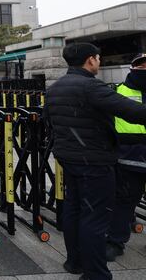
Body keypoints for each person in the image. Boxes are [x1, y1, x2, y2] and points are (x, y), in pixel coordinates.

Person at [45, 43, 146, 280]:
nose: (99, 63)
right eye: (98, 58)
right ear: (90, 60)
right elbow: (133, 112)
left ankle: (75, 261)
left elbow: (48, 121)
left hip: (69, 158)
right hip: (95, 162)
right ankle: (96, 274)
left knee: (74, 210)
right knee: (95, 218)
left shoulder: (55, 88)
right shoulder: (91, 87)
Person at [106, 53, 146, 261]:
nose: (144, 69)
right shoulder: (117, 92)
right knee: (124, 202)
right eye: (141, 66)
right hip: (128, 159)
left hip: (129, 157)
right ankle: (115, 241)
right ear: (132, 68)